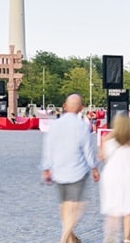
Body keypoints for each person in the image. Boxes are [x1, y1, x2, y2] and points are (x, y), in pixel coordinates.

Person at [41, 93, 100, 243]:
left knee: (65, 208)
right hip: (77, 172)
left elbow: (48, 147)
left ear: (65, 106)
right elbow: (88, 149)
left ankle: (72, 240)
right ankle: (64, 239)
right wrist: (94, 167)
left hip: (59, 171)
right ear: (81, 108)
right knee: (76, 209)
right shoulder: (82, 126)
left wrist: (46, 167)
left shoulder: (55, 125)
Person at [99, 112, 130, 243]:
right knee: (128, 210)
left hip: (111, 175)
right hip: (129, 175)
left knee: (113, 210)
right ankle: (126, 239)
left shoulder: (107, 138)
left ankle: (110, 238)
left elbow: (102, 157)